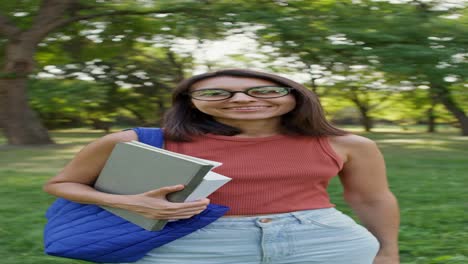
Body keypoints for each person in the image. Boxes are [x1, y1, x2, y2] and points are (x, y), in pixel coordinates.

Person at [43, 68, 400, 264]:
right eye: (216, 93)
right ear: (191, 102)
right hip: (195, 243)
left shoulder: (347, 144)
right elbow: (61, 184)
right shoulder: (134, 140)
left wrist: (387, 252)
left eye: (264, 91)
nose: (242, 99)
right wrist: (130, 202)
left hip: (323, 241)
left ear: (295, 96)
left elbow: (372, 200)